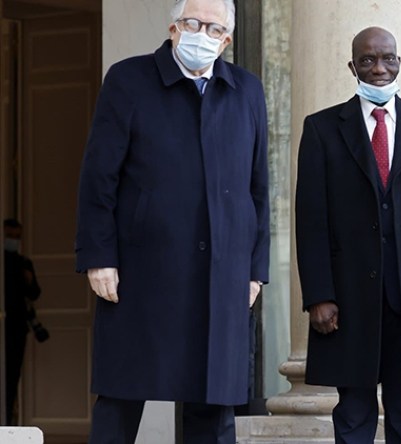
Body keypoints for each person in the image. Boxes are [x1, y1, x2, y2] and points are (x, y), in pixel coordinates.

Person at [75, 0, 269, 442]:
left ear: (226, 41)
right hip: (141, 270)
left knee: (213, 407)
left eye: (213, 28)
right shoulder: (128, 80)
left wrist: (255, 270)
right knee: (121, 396)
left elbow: (257, 187)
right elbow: (98, 177)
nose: (202, 34)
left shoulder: (247, 90)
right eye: (192, 23)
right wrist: (98, 256)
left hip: (222, 273)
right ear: (173, 28)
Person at [295, 26, 401, 444]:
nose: (379, 68)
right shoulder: (322, 129)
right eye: (367, 60)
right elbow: (311, 220)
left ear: (399, 62)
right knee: (353, 412)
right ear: (353, 66)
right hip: (348, 298)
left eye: (387, 58)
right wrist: (318, 296)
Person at [3, 219, 42, 424]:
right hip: (4, 323)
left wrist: (29, 279)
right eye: (9, 236)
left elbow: (34, 293)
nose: (13, 240)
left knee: (11, 378)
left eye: (16, 237)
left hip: (16, 327)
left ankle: (7, 422)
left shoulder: (23, 263)